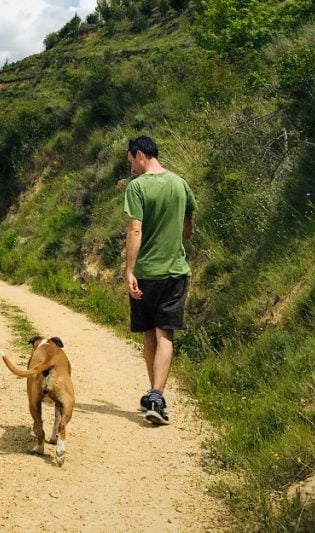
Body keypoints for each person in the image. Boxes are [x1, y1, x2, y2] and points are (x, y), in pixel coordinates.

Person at [123, 135, 197, 425]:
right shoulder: (180, 183)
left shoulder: (137, 187)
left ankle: (154, 394)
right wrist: (176, 242)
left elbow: (135, 230)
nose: (130, 168)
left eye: (130, 162)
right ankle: (156, 394)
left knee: (148, 333)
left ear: (140, 155)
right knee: (165, 332)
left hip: (146, 273)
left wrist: (129, 271)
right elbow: (189, 223)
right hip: (176, 271)